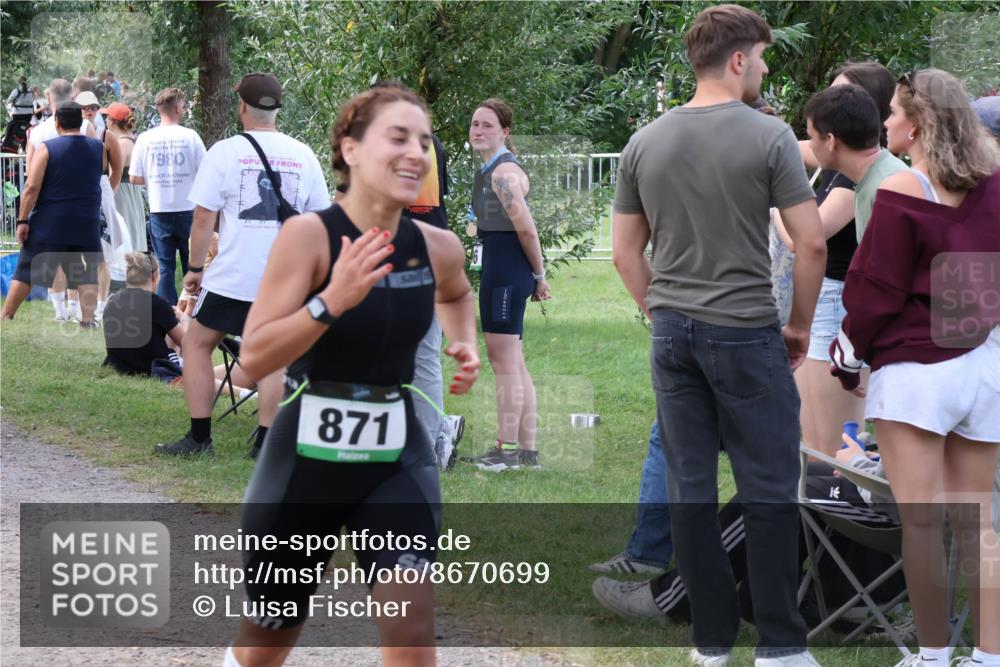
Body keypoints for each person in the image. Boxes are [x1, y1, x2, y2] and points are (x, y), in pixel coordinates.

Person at [222, 84, 479, 667]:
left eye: (424, 140)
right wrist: (330, 301)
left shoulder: (438, 247)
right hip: (304, 466)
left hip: (395, 461)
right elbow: (255, 359)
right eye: (398, 137)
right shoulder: (308, 236)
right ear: (351, 149)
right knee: (266, 643)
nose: (417, 152)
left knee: (412, 634)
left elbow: (459, 295)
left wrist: (464, 341)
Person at [612, 5, 827, 666]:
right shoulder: (768, 138)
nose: (763, 68)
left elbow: (625, 253)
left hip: (673, 332)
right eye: (761, 57)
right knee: (768, 486)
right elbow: (813, 241)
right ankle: (782, 646)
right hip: (745, 330)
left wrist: (662, 311)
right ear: (737, 59)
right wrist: (797, 326)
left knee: (690, 489)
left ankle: (711, 643)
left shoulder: (644, 141)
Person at [830, 68, 1000, 667]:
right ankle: (987, 656)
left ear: (919, 122)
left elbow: (877, 289)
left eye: (895, 113)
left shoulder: (905, 190)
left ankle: (930, 656)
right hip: (984, 365)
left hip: (919, 369)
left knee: (924, 523)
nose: (886, 123)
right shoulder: (995, 185)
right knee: (978, 521)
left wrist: (847, 352)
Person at [154, 73, 330, 458]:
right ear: (277, 109)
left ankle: (199, 438)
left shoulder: (226, 151)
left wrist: (195, 268)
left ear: (243, 107)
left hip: (235, 276)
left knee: (198, 345)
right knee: (271, 355)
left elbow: (203, 218)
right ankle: (267, 444)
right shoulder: (303, 154)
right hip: (285, 278)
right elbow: (321, 220)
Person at [776, 62, 896, 456]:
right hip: (830, 301)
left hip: (837, 303)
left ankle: (833, 514)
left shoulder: (865, 179)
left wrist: (776, 206)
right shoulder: (851, 167)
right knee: (813, 441)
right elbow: (795, 146)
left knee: (830, 447)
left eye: (842, 96)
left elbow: (808, 237)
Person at [466, 97, 550, 472]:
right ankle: (526, 452)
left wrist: (539, 276)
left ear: (505, 131)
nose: (478, 130)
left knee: (504, 365)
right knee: (515, 362)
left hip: (506, 276)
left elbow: (528, 231)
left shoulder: (503, 174)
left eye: (486, 124)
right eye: (474, 124)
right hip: (502, 271)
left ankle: (506, 451)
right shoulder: (491, 169)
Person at [1, 102, 104, 327]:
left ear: (57, 123)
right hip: (86, 219)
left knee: (28, 267)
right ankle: (88, 320)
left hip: (52, 219)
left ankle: (6, 315)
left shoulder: (47, 149)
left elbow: (31, 187)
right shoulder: (98, 148)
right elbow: (100, 174)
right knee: (84, 270)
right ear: (81, 121)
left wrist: (22, 220)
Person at [129, 87, 206, 305]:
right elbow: (206, 171)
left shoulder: (145, 138)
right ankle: (195, 309)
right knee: (194, 264)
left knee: (164, 266)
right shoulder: (190, 136)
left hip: (159, 209)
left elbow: (134, 177)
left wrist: (154, 179)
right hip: (189, 209)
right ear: (178, 108)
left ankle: (169, 315)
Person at [103, 252, 185, 377]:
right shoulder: (157, 303)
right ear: (154, 276)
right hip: (152, 366)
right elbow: (186, 343)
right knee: (225, 368)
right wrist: (182, 318)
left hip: (121, 366)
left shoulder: (112, 302)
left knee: (169, 325)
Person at [104, 102, 148, 252]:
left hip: (121, 191)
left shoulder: (122, 143)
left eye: (106, 117)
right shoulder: (131, 138)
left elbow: (115, 172)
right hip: (130, 191)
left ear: (111, 121)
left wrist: (107, 197)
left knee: (125, 228)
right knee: (131, 227)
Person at [2, 76, 33, 153]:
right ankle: (24, 148)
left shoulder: (17, 90)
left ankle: (7, 145)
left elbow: (9, 100)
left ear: (18, 82)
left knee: (11, 127)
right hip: (28, 116)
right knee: (25, 129)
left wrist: (9, 103)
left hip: (17, 114)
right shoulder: (30, 91)